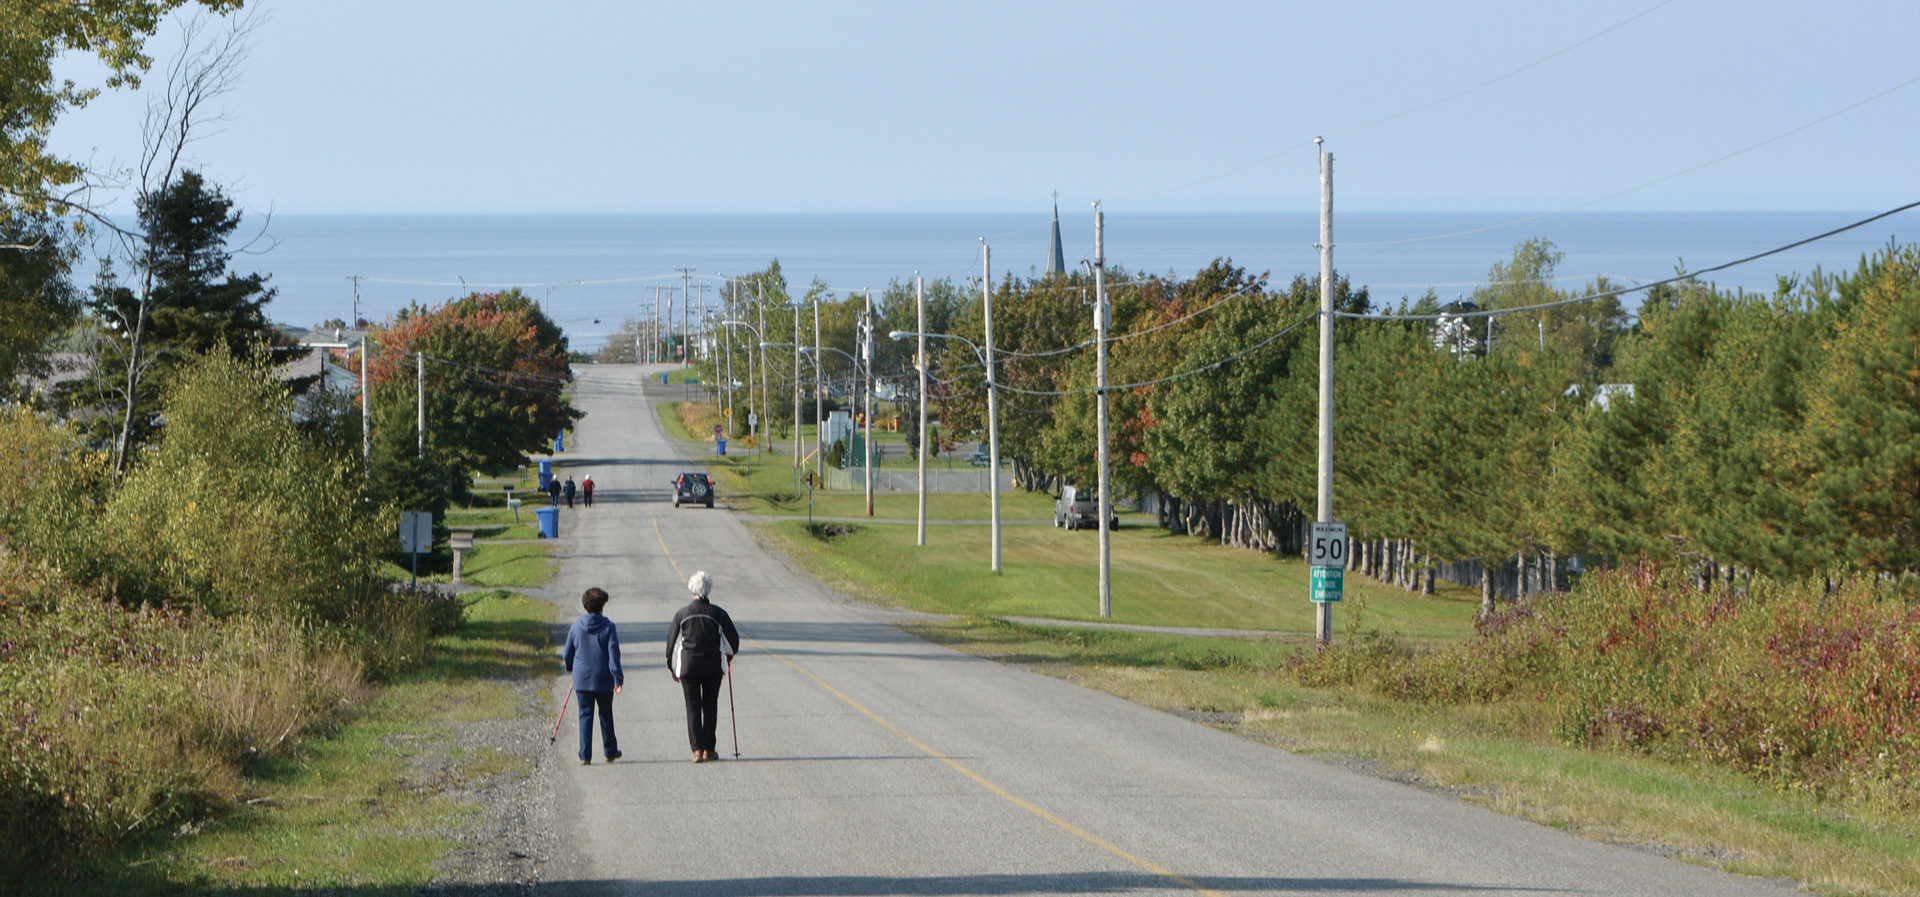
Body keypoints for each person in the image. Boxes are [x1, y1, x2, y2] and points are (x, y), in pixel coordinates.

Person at [666, 570, 740, 763]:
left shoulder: (681, 614)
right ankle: (709, 749)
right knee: (710, 706)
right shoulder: (718, 613)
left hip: (688, 667)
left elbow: (672, 645)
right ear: (709, 590)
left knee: (692, 707)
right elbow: (733, 642)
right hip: (712, 667)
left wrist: (673, 668)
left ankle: (696, 750)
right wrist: (729, 655)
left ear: (692, 589)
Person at [563, 587, 623, 765]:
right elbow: (614, 655)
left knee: (585, 715)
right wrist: (617, 678)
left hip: (582, 679)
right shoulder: (609, 626)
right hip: (603, 679)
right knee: (606, 714)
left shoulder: (576, 627)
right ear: (602, 606)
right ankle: (610, 750)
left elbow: (567, 654)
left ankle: (585, 754)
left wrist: (571, 668)